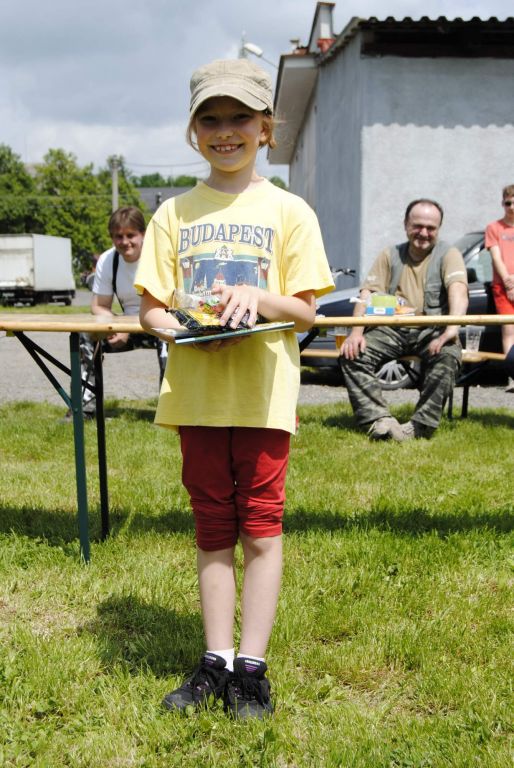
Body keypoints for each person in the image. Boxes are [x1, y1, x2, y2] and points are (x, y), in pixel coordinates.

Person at [135, 58, 334, 718]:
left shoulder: (289, 210)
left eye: (240, 118)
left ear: (265, 128)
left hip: (261, 396)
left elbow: (305, 312)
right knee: (213, 527)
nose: (226, 131)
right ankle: (216, 660)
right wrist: (188, 328)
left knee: (261, 528)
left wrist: (257, 297)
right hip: (197, 396)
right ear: (193, 131)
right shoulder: (173, 214)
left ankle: (252, 669)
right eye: (211, 119)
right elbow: (152, 310)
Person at [339, 199, 468, 441]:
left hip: (433, 330)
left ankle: (420, 427)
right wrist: (356, 333)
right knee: (352, 354)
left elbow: (458, 290)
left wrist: (451, 329)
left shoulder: (449, 254)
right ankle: (379, 420)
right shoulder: (390, 255)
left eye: (431, 228)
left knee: (448, 356)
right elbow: (367, 295)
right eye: (417, 226)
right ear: (406, 225)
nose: (424, 233)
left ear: (439, 229)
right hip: (392, 329)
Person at [79, 206, 168, 417]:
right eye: (118, 236)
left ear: (143, 234)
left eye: (130, 235)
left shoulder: (159, 256)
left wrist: (127, 326)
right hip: (126, 326)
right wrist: (116, 327)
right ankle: (85, 406)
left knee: (168, 340)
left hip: (159, 323)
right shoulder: (108, 260)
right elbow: (98, 305)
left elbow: (168, 305)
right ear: (112, 238)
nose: (125, 241)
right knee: (86, 336)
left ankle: (168, 409)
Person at [485, 184, 514, 393]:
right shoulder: (494, 227)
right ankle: (513, 376)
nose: (511, 207)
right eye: (508, 203)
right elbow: (496, 257)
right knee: (509, 329)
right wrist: (508, 283)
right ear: (502, 203)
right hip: (502, 287)